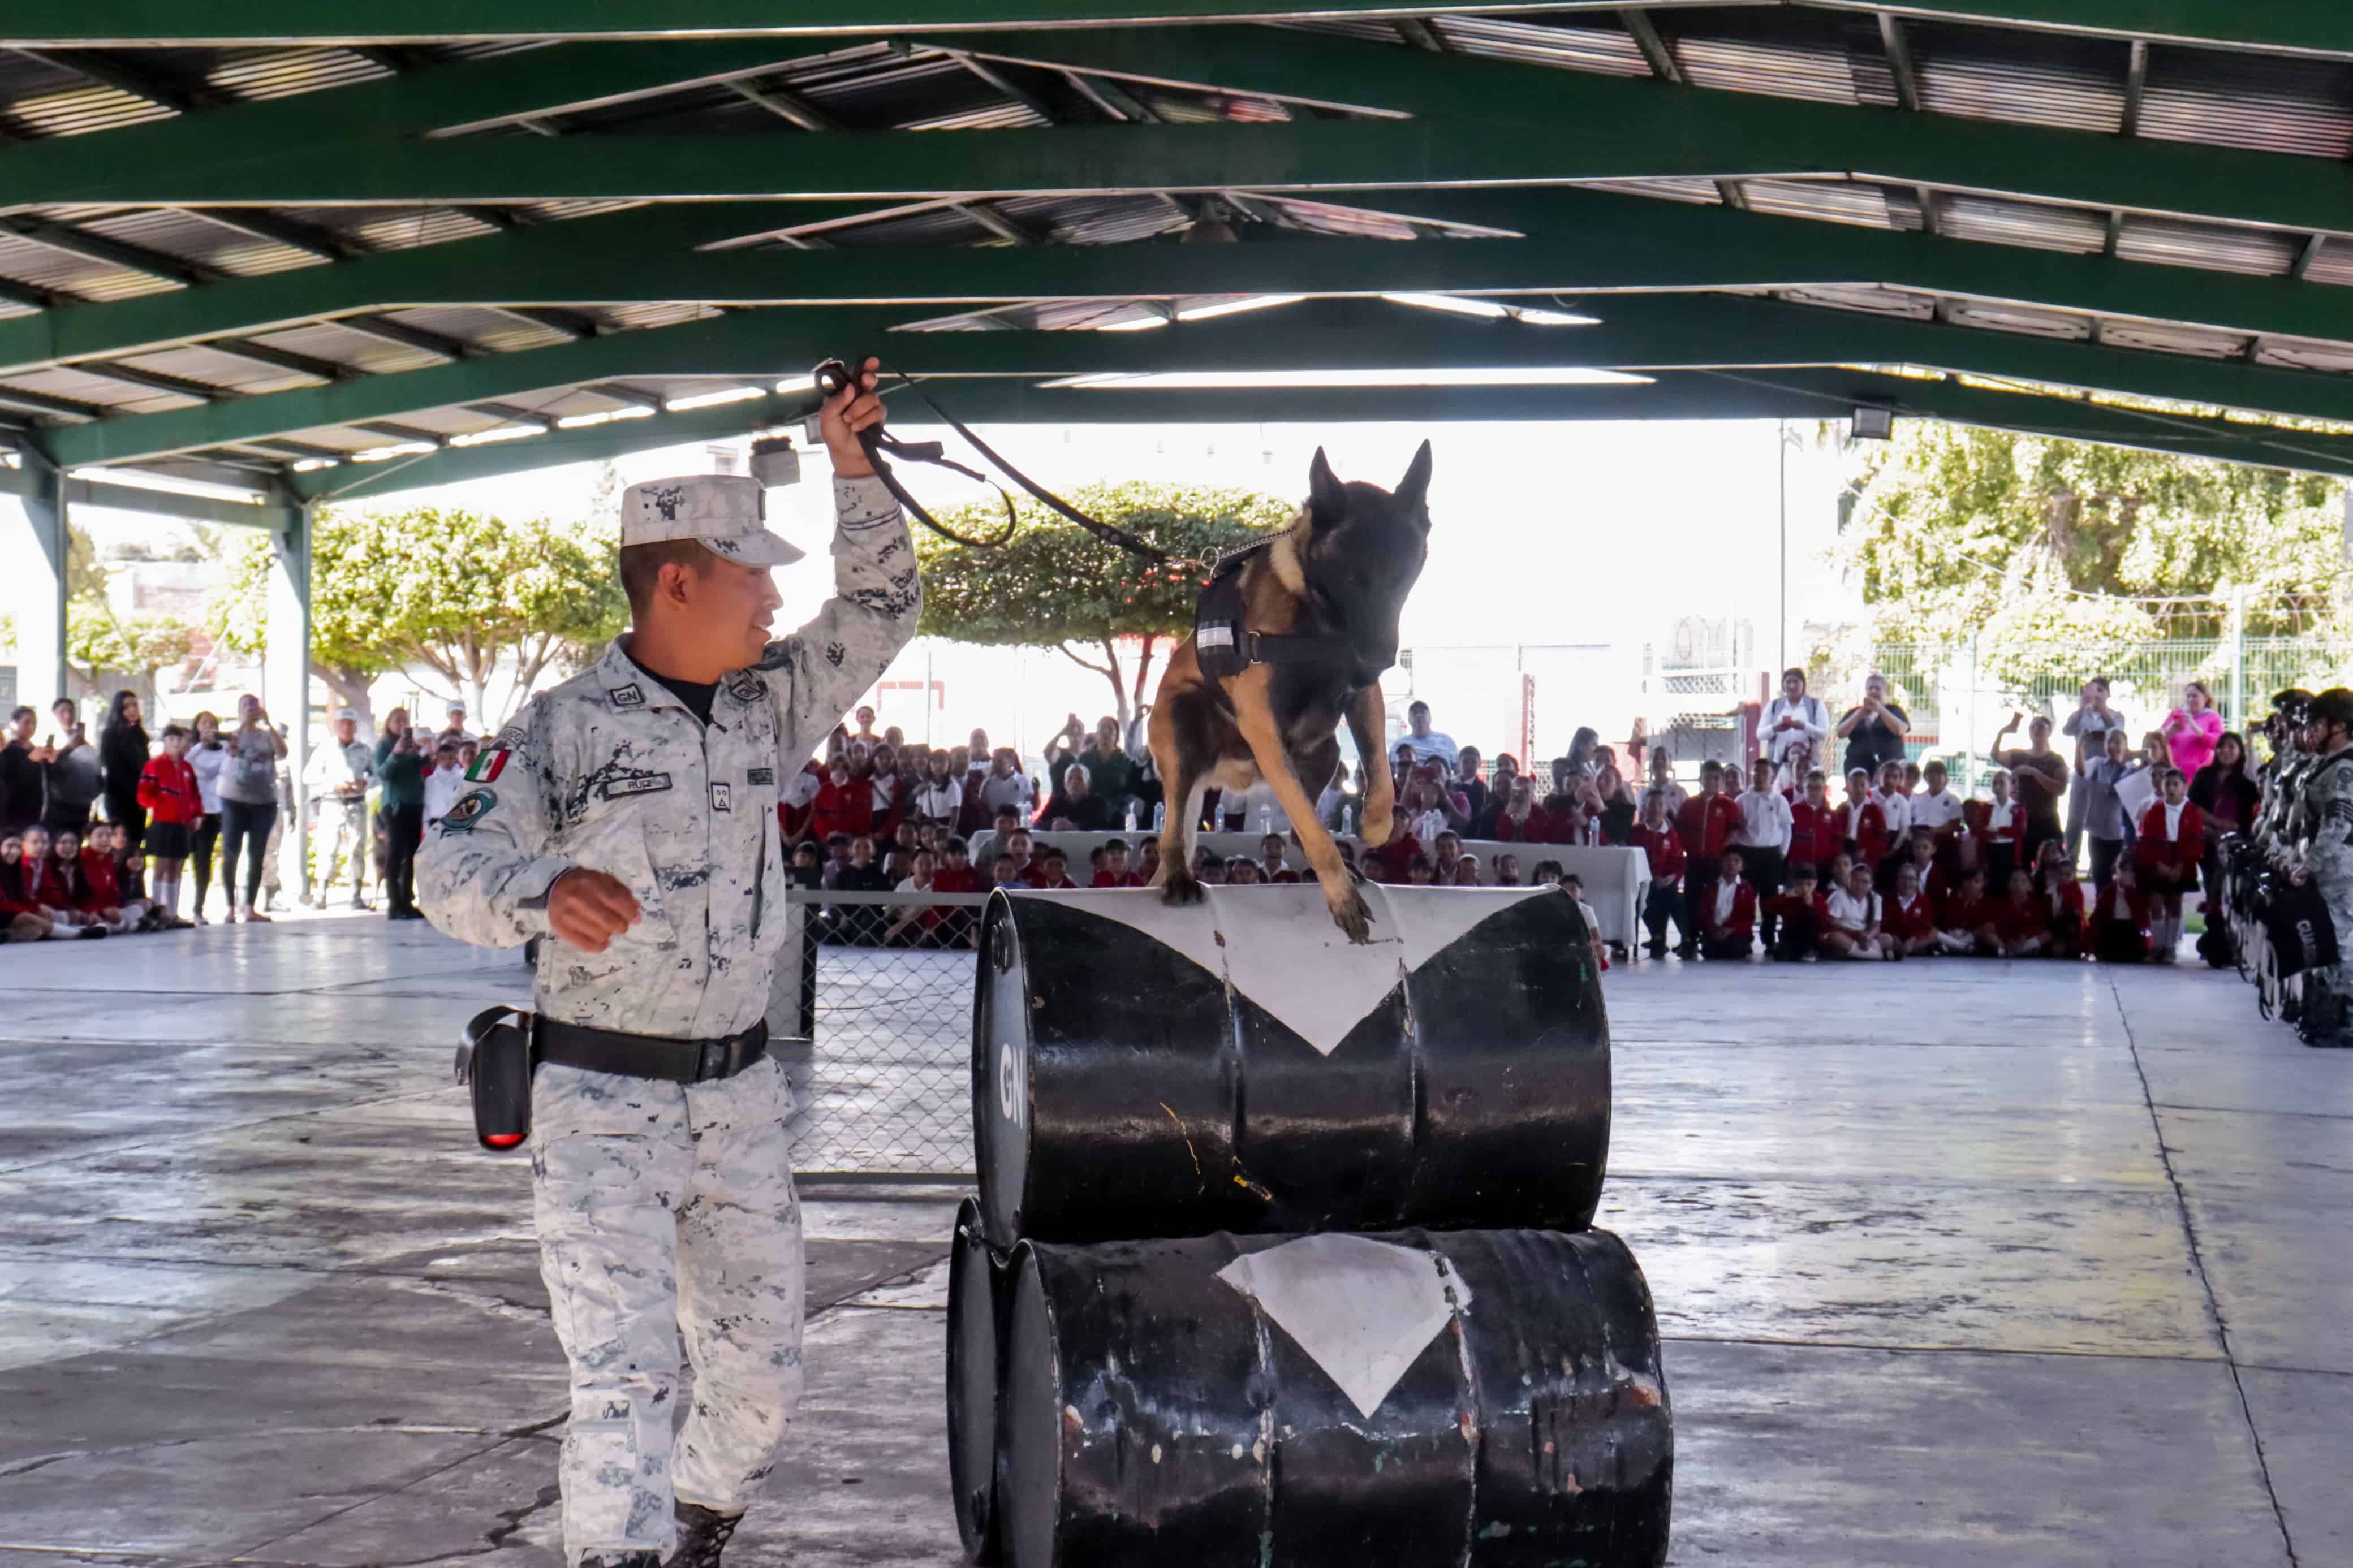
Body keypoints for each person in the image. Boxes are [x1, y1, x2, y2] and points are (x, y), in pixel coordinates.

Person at [416, 360, 916, 1565]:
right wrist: (544, 892)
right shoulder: (560, 728)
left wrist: (854, 466)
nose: (768, 601)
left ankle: (700, 1522)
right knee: (626, 1380)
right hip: (600, 1103)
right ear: (679, 579)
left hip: (738, 1100)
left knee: (761, 1381)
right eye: (753, 575)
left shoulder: (762, 706)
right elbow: (447, 869)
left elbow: (881, 614)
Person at [216, 694, 285, 923]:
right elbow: (216, 752)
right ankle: (229, 907)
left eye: (254, 707)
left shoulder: (266, 736)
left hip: (263, 801)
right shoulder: (230, 736)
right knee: (231, 853)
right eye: (246, 706)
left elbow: (283, 752)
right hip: (234, 799)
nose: (250, 710)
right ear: (238, 710)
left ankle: (249, 907)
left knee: (257, 854)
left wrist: (269, 724)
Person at [305, 707, 376, 910]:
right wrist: (333, 785)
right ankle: (321, 895)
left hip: (356, 803)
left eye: (350, 724)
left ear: (355, 727)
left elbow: (377, 774)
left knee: (357, 849)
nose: (346, 727)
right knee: (327, 849)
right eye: (342, 723)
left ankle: (356, 895)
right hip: (332, 803)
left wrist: (366, 783)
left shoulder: (364, 750)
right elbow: (309, 776)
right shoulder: (325, 750)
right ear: (335, 726)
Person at [2133, 767, 2203, 965]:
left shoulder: (2192, 813)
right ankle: (2158, 946)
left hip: (2181, 860)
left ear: (2184, 788)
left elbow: (2195, 842)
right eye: (2168, 784)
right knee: (2156, 903)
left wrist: (2181, 866)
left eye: (2176, 785)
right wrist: (2159, 865)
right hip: (2159, 861)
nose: (2171, 789)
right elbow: (2147, 840)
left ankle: (2170, 947)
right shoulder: (2154, 811)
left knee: (2175, 903)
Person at [1673, 761, 1741, 958]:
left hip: (1716, 861)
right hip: (1694, 860)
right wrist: (1686, 848)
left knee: (1712, 901)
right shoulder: (1690, 804)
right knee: (1691, 900)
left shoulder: (1728, 805)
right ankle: (1690, 939)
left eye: (1716, 778)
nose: (1711, 782)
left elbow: (1734, 832)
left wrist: (1722, 851)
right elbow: (1680, 830)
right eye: (1707, 777)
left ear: (1721, 781)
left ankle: (1710, 937)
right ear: (1701, 778)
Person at [135, 724, 200, 927]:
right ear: (165, 741)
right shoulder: (154, 765)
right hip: (163, 822)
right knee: (161, 867)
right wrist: (159, 803)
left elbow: (195, 795)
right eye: (172, 739)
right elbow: (144, 793)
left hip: (182, 825)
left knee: (177, 868)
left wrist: (197, 814)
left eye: (180, 740)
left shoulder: (187, 768)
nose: (176, 743)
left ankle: (173, 913)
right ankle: (157, 911)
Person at [1986, 712, 2068, 866]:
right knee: (2020, 864)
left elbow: (2060, 789)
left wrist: (2035, 773)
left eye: (2042, 727)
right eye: (2034, 727)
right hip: (2021, 820)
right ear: (2029, 732)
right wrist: (2002, 733)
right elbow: (1996, 755)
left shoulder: (2056, 760)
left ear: (2049, 732)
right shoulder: (2019, 756)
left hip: (2046, 819)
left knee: (2049, 865)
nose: (2038, 730)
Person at [375, 706, 430, 921]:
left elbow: (421, 768)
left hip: (414, 804)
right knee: (395, 853)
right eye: (397, 720)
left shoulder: (412, 744)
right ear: (389, 723)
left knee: (411, 854)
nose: (401, 724)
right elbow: (383, 773)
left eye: (404, 721)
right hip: (395, 805)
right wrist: (396, 753)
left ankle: (407, 900)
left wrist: (423, 754)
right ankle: (394, 902)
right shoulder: (384, 746)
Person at [2061, 678, 2126, 859]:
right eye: (2092, 691)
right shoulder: (2080, 714)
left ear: (2108, 694)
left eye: (2100, 691)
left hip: (2104, 774)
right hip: (2083, 772)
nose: (2096, 695)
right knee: (2075, 818)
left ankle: (2097, 862)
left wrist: (2102, 711)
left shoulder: (2117, 716)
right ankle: (2070, 860)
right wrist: (2084, 708)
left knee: (2100, 819)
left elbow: (2118, 732)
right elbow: (2067, 730)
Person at [1732, 757, 1791, 948]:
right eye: (1756, 772)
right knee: (1745, 898)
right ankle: (1744, 937)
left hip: (1771, 856)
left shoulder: (1779, 800)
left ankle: (1769, 938)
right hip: (1747, 854)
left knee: (1770, 899)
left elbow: (1787, 828)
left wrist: (1783, 853)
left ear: (1772, 776)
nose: (1760, 777)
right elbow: (1735, 828)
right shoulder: (1741, 800)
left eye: (1765, 773)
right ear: (1751, 775)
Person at [2076, 728, 2140, 889]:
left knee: (2122, 880)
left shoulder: (2130, 770)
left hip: (2120, 834)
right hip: (2097, 832)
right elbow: (2081, 770)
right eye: (2109, 742)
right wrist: (2080, 746)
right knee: (2100, 876)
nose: (2112, 746)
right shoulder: (2097, 764)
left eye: (2117, 742)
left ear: (2126, 746)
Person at [1630, 790, 1686, 960]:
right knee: (1645, 900)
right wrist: (1650, 877)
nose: (1655, 808)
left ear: (1666, 808)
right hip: (1642, 882)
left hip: (1666, 882)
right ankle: (1657, 936)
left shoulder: (1671, 834)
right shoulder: (1635, 832)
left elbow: (1679, 861)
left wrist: (1672, 877)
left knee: (1676, 900)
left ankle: (1687, 939)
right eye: (1651, 804)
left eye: (1660, 804)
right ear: (1644, 808)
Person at [188, 711, 229, 924]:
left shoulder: (225, 749)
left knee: (230, 856)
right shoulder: (193, 751)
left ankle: (233, 906)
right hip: (202, 812)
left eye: (213, 724)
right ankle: (198, 908)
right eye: (204, 724)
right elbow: (187, 763)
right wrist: (200, 746)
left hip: (223, 808)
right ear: (197, 727)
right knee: (202, 861)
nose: (209, 728)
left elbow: (226, 766)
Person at [97, 690, 150, 854]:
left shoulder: (140, 735)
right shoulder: (110, 735)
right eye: (127, 706)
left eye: (135, 705)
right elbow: (113, 768)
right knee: (119, 847)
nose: (132, 710)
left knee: (135, 845)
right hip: (119, 798)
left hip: (139, 800)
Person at [40, 697, 101, 835]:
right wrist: (69, 748)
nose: (68, 716)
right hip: (57, 808)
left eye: (71, 711)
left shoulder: (82, 740)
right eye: (62, 712)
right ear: (54, 715)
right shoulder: (49, 739)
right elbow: (48, 766)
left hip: (81, 807)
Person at [1835, 672, 1910, 782]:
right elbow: (1841, 733)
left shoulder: (1894, 710)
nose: (1873, 691)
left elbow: (1900, 729)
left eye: (1878, 689)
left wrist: (1881, 710)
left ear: (1885, 691)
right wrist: (1858, 715)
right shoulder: (1855, 712)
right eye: (1870, 688)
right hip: (1859, 767)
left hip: (1890, 768)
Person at [1761, 668, 1829, 774]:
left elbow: (1823, 734)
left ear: (1803, 685)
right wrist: (1776, 728)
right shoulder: (1774, 706)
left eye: (1796, 682)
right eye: (1788, 682)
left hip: (1808, 763)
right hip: (1778, 764)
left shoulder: (1815, 705)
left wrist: (1804, 726)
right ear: (1783, 685)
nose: (1792, 686)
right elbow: (1760, 734)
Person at [1823, 862, 1894, 960]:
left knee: (1888, 939)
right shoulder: (1839, 896)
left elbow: (1876, 926)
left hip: (1864, 939)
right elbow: (1832, 924)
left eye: (1865, 882)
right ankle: (1878, 956)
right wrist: (1855, 934)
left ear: (1871, 885)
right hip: (1846, 935)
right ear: (1849, 881)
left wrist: (1867, 938)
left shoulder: (1875, 899)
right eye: (1856, 880)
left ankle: (1857, 954)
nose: (1859, 885)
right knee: (1835, 937)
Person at [1695, 846, 1756, 960]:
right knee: (1711, 953)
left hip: (1735, 933)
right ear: (1721, 864)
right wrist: (1713, 929)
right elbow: (1703, 912)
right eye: (1728, 860)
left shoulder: (1747, 889)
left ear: (1742, 866)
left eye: (1737, 861)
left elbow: (1749, 917)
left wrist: (1730, 929)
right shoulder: (1710, 887)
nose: (1732, 864)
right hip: (1713, 931)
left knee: (1734, 951)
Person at [1, 707, 51, 837]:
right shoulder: (8, 751)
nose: (31, 727)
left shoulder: (35, 749)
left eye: (34, 723)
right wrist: (30, 761)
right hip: (14, 814)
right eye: (27, 722)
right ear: (14, 724)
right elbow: (11, 781)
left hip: (37, 812)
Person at [2092, 858, 2152, 964]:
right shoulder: (2109, 891)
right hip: (2113, 928)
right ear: (2117, 872)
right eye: (2124, 871)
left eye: (2130, 871)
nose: (2127, 875)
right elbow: (2098, 916)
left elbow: (2143, 919)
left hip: (2131, 929)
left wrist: (2128, 893)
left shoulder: (2139, 893)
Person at [2161, 681, 2224, 780]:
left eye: (2195, 696)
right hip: (2174, 772)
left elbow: (2218, 743)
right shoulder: (2177, 714)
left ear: (2205, 698)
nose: (2191, 699)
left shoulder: (2213, 717)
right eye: (2188, 696)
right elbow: (2159, 738)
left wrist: (2197, 729)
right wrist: (2170, 732)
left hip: (2200, 774)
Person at [1764, 863, 1826, 961]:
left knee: (1810, 916)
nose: (1805, 888)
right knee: (1782, 956)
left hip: (1811, 939)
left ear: (1815, 884)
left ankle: (1809, 951)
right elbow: (1766, 907)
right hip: (1791, 937)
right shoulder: (1789, 898)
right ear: (1794, 884)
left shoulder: (1819, 899)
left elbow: (1823, 924)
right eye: (1800, 884)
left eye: (1809, 884)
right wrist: (1785, 896)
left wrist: (1811, 905)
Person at [1884, 862, 1940, 958]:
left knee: (1934, 934)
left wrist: (1914, 938)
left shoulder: (1924, 901)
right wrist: (1894, 937)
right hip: (1894, 940)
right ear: (1897, 880)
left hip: (1914, 942)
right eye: (1903, 878)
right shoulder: (1887, 899)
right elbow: (1884, 924)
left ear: (1917, 882)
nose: (1907, 883)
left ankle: (1905, 952)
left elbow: (1926, 926)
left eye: (1911, 879)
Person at [1990, 868, 2051, 958]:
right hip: (2007, 941)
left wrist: (2026, 935)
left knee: (2047, 935)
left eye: (2023, 882)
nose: (2018, 885)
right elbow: (1998, 925)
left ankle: (2020, 951)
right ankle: (2007, 951)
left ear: (2030, 886)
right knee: (1989, 932)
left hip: (2026, 941)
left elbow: (2040, 925)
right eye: (2014, 881)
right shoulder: (2001, 903)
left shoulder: (2036, 904)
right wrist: (2009, 939)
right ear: (2009, 885)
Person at [1837, 768, 1890, 869]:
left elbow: (1883, 837)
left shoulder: (1875, 809)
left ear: (1868, 787)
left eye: (1862, 785)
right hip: (1844, 851)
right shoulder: (1842, 808)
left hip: (1865, 854)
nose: (1858, 789)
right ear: (1848, 787)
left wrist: (1867, 851)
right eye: (1855, 785)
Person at [1046, 763, 1118, 832]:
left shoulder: (1098, 802)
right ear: (1065, 784)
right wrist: (1052, 825)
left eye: (1080, 779)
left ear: (1088, 784)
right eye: (1070, 779)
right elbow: (1038, 824)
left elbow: (1104, 825)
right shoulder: (1056, 801)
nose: (1074, 782)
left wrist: (1075, 827)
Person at [1401, 700, 1459, 769]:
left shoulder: (1446, 741)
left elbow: (1459, 771)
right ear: (1409, 720)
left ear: (1430, 718)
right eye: (1415, 713)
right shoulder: (1399, 744)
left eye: (1422, 712)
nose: (1419, 715)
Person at [424, 740, 467, 830]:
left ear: (456, 759)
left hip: (456, 820)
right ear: (437, 760)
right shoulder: (431, 780)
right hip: (436, 820)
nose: (447, 761)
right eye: (443, 758)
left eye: (450, 758)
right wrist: (425, 822)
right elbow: (426, 802)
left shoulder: (462, 778)